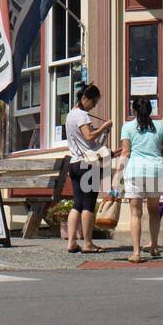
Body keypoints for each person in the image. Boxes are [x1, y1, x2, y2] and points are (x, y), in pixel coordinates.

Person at [119, 96, 163, 263]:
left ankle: (136, 252)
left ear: (134, 111)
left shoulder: (127, 127)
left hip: (135, 170)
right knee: (153, 211)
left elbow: (126, 152)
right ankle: (155, 247)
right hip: (155, 170)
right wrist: (156, 152)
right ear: (151, 110)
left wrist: (116, 174)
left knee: (135, 214)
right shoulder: (161, 126)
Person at [64, 84, 113, 254]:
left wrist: (104, 133)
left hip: (74, 163)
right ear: (85, 99)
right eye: (94, 102)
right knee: (88, 205)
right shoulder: (83, 116)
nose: (94, 106)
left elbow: (92, 143)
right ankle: (88, 243)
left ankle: (71, 242)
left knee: (76, 204)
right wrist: (104, 127)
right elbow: (89, 136)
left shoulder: (70, 114)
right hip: (88, 164)